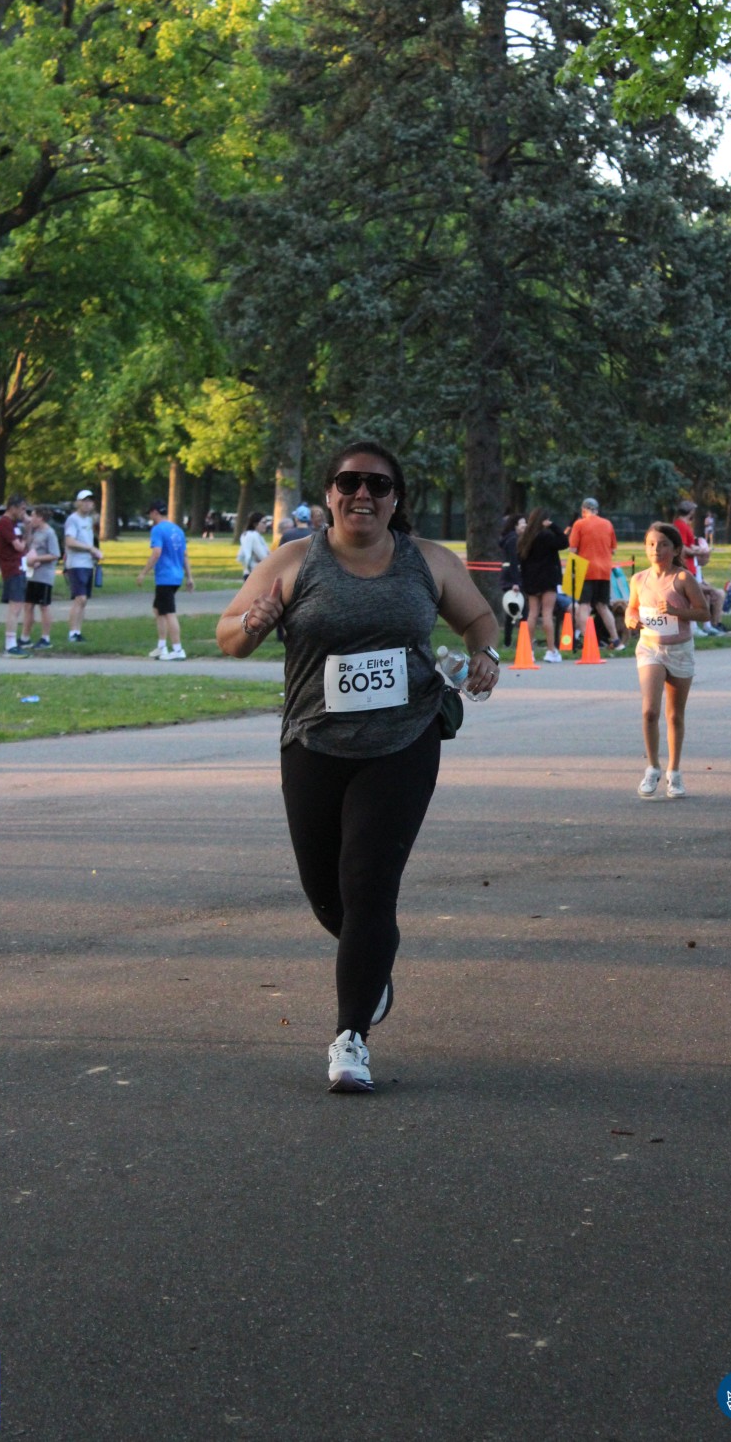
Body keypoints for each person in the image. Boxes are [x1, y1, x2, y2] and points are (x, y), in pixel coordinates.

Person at [216, 441, 500, 1093]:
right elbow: (230, 637)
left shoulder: (427, 561)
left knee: (369, 881)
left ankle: (350, 1039)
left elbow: (479, 619)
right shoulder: (295, 561)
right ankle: (371, 966)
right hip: (313, 742)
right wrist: (255, 621)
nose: (362, 494)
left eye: (377, 484)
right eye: (349, 483)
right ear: (329, 495)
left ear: (396, 499)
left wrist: (485, 656)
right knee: (328, 894)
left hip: (404, 740)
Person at [625, 522, 710, 799]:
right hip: (650, 649)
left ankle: (674, 772)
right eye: (651, 544)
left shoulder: (683, 579)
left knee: (674, 715)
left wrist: (676, 611)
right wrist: (631, 619)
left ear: (675, 550)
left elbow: (704, 613)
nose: (656, 549)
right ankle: (652, 768)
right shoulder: (638, 579)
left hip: (680, 650)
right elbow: (631, 609)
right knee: (649, 711)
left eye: (663, 545)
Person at [137, 501, 194, 660]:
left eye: (150, 513)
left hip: (165, 576)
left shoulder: (157, 529)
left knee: (169, 612)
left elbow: (156, 552)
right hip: (176, 575)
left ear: (155, 512)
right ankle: (161, 646)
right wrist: (189, 576)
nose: (150, 516)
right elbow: (184, 555)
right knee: (158, 609)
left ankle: (177, 649)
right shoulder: (177, 530)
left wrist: (143, 573)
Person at [568, 497, 624, 650]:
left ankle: (588, 642)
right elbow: (613, 550)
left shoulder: (579, 524)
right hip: (604, 570)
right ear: (597, 510)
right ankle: (616, 640)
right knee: (603, 606)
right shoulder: (607, 524)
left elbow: (573, 549)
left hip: (586, 570)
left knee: (584, 606)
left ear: (583, 510)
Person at [517, 507, 567, 662]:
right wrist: (553, 526)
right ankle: (551, 650)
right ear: (545, 520)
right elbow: (564, 542)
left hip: (531, 579)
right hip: (547, 578)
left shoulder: (525, 538)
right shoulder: (546, 536)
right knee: (547, 613)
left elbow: (520, 560)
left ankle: (529, 651)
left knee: (532, 614)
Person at [673, 500, 727, 636]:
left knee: (703, 595)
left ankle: (707, 625)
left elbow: (689, 544)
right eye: (693, 511)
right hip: (685, 567)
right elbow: (682, 548)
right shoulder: (680, 525)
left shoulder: (686, 525)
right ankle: (693, 627)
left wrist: (699, 549)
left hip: (693, 567)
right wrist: (698, 552)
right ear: (690, 511)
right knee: (693, 597)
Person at [64, 490, 103, 642]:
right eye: (84, 501)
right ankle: (72, 632)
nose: (87, 504)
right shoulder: (73, 520)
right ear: (78, 503)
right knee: (80, 598)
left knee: (84, 600)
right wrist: (90, 548)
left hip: (87, 563)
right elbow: (70, 541)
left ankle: (78, 631)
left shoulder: (88, 520)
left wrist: (94, 553)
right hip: (76, 563)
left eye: (90, 501)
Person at [22, 506, 60, 649]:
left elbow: (55, 554)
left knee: (43, 606)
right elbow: (27, 546)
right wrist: (28, 529)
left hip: (44, 576)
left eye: (33, 516)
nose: (31, 519)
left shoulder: (49, 533)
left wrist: (37, 559)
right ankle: (25, 638)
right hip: (32, 575)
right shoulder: (34, 531)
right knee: (28, 605)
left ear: (41, 518)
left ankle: (45, 638)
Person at [0, 494, 29, 656]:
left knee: (18, 606)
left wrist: (27, 529)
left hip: (20, 567)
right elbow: (19, 546)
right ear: (13, 507)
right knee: (14, 607)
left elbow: (24, 546)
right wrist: (27, 534)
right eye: (22, 509)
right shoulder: (5, 523)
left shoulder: (14, 524)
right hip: (12, 568)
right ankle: (10, 645)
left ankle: (12, 643)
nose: (24, 513)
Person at [498, 513, 526, 648]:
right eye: (522, 523)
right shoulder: (514, 540)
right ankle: (520, 642)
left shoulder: (509, 539)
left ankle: (508, 642)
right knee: (521, 611)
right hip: (512, 579)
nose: (525, 525)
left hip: (508, 578)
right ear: (515, 525)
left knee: (511, 612)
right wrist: (516, 582)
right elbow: (514, 562)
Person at [237, 512, 271, 581]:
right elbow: (263, 556)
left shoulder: (250, 535)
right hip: (255, 573)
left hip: (252, 572)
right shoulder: (253, 536)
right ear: (255, 524)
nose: (265, 525)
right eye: (263, 522)